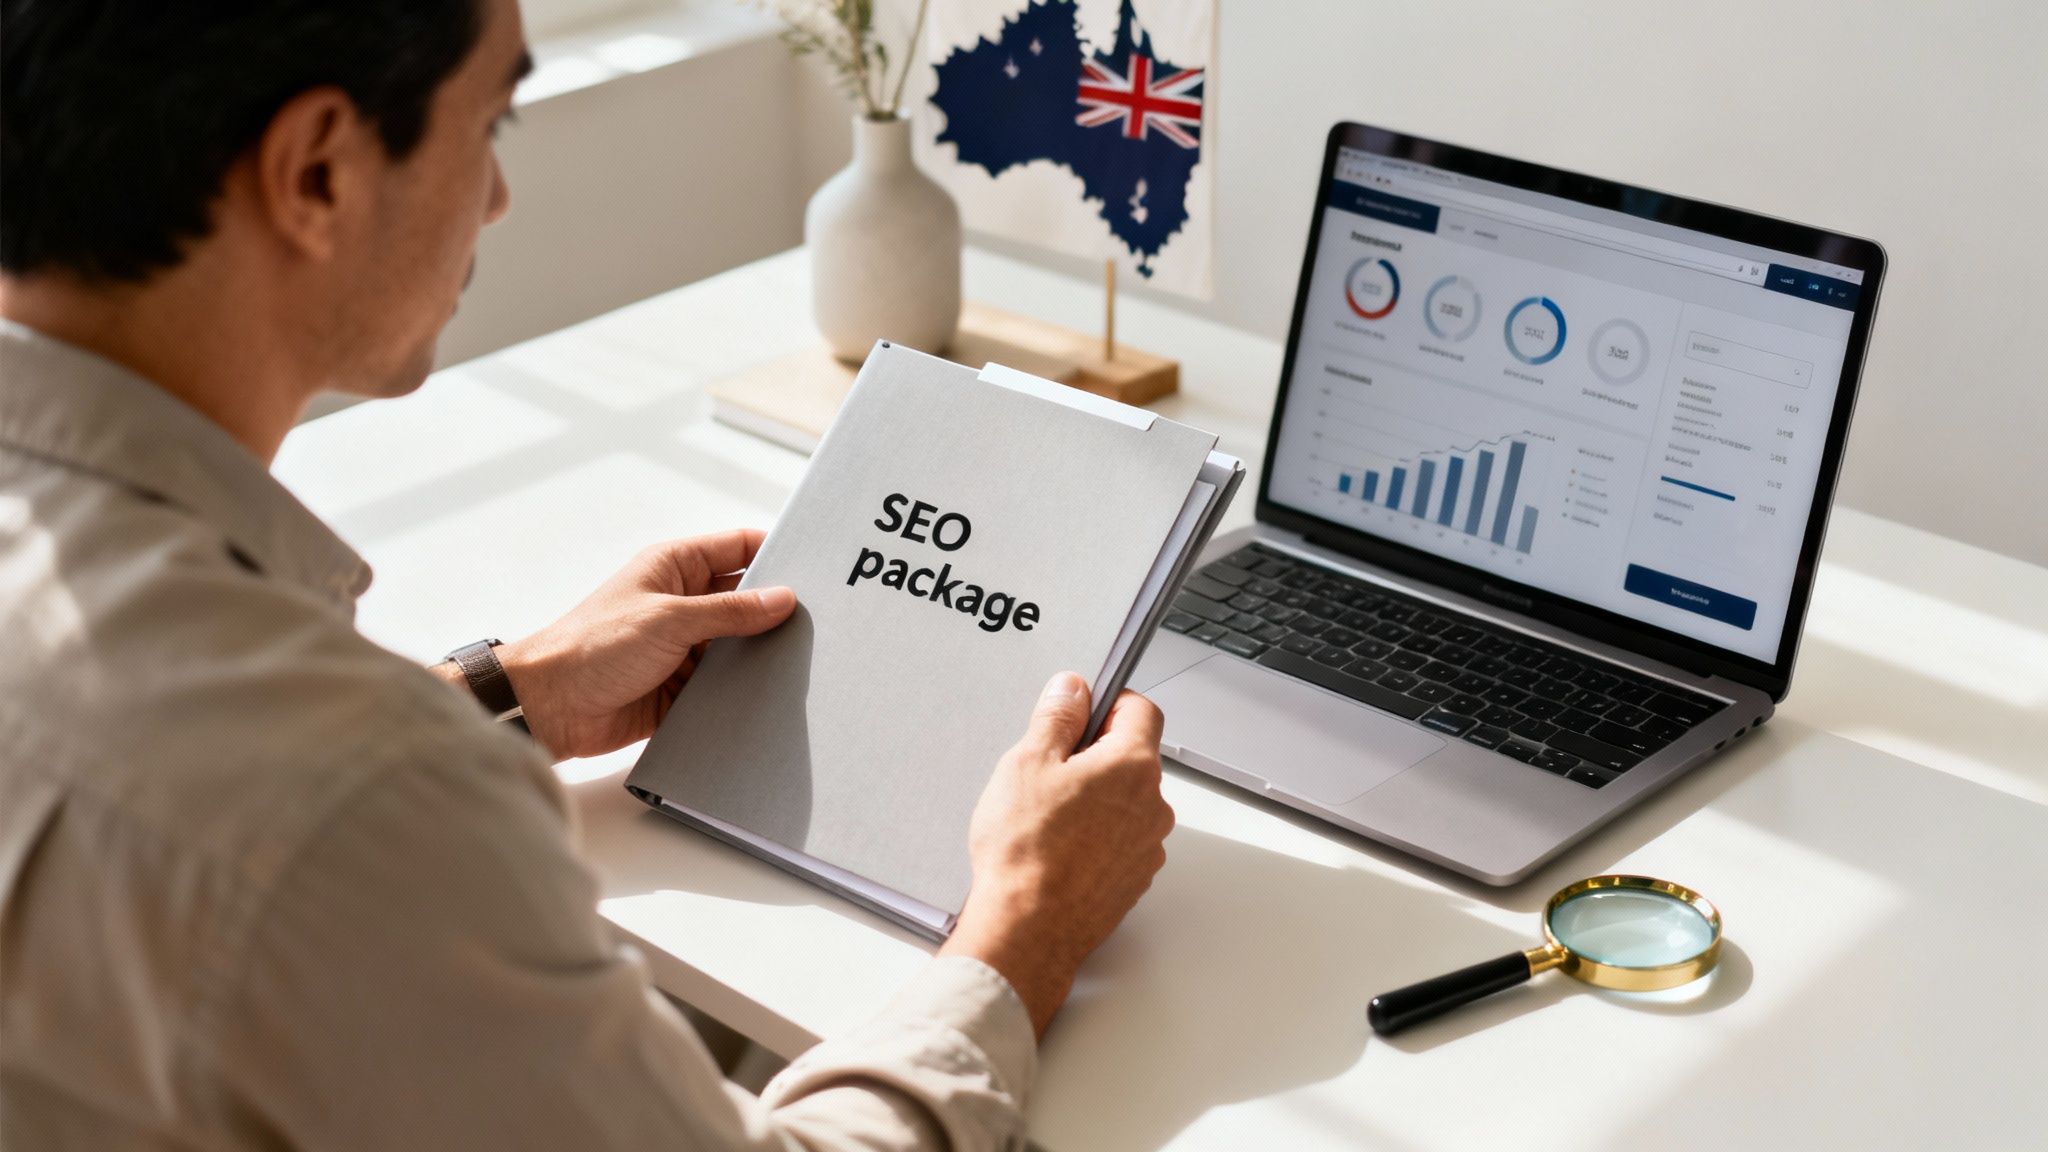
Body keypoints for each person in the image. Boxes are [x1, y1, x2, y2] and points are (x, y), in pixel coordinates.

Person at [0, 2, 1176, 1149]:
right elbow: (302, 813)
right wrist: (1024, 926)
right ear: (317, 172)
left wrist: (505, 691)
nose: (498, 198)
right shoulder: (356, 810)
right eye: (490, 124)